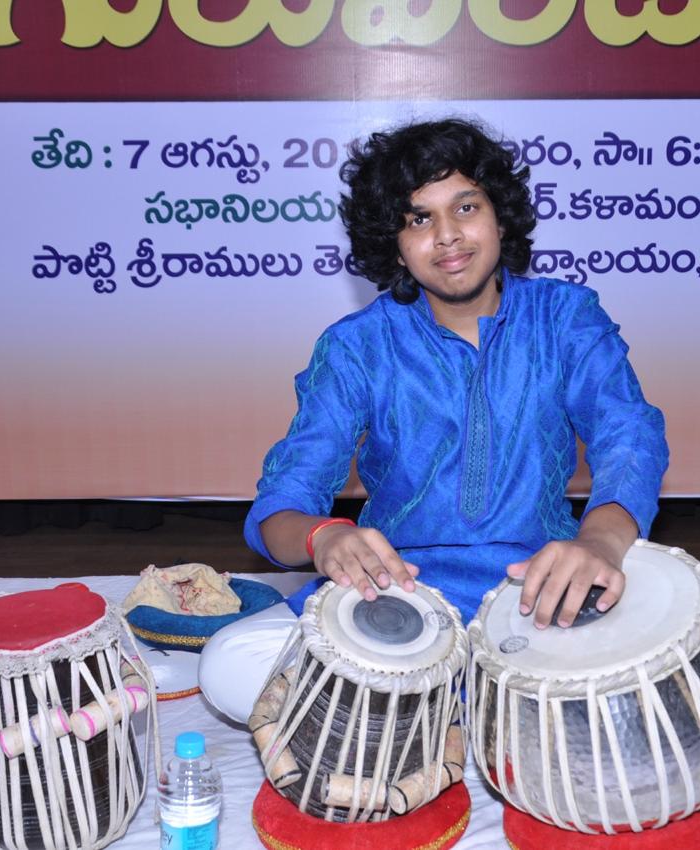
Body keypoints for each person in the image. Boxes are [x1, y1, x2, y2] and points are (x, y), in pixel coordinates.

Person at [199, 117, 667, 723]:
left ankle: (421, 710)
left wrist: (598, 541)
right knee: (231, 666)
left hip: (539, 584)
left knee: (655, 672)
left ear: (500, 215)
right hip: (398, 590)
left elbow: (628, 434)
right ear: (393, 243)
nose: (448, 236)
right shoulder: (358, 345)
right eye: (419, 219)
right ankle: (477, 707)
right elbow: (278, 507)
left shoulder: (564, 316)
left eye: (466, 206)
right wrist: (327, 538)